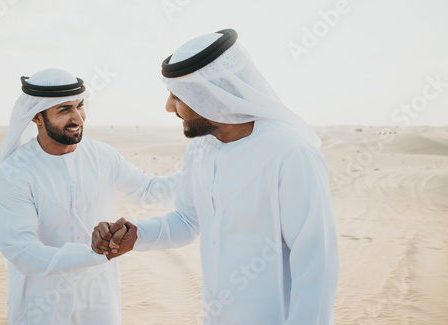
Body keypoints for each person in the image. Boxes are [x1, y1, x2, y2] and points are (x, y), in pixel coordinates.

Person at [93, 29, 339, 324]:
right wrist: (136, 236)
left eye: (177, 96)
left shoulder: (290, 152)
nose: (169, 107)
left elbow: (316, 262)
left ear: (212, 96)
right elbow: (188, 220)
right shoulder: (201, 148)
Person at [0, 68, 176, 324]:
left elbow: (149, 189)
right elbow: (21, 250)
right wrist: (92, 254)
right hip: (42, 305)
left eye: (80, 106)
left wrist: (201, 175)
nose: (78, 118)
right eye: (64, 110)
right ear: (36, 116)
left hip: (99, 300)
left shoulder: (102, 156)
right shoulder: (15, 171)